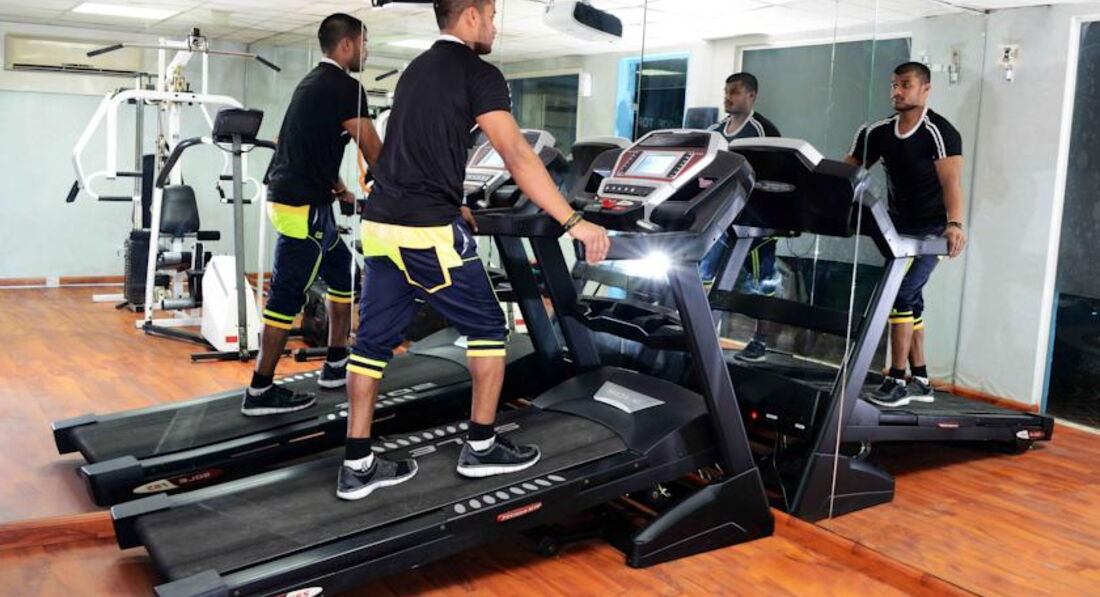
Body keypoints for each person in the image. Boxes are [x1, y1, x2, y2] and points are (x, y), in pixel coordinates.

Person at [336, 0, 610, 501]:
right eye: (491, 15)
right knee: (488, 330)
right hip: (426, 232)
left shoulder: (416, 70)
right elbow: (517, 154)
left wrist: (454, 201)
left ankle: (358, 464)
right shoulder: (478, 72)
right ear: (469, 16)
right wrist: (573, 221)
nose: (494, 26)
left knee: (371, 345)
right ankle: (481, 447)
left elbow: (415, 150)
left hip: (380, 225)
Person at [242, 13, 383, 416]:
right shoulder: (346, 88)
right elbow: (375, 151)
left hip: (304, 200)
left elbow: (301, 143)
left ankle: (336, 362)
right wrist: (410, 188)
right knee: (286, 297)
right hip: (301, 207)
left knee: (344, 273)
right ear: (347, 45)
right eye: (364, 44)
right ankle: (260, 390)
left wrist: (340, 189)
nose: (367, 52)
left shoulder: (312, 82)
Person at [845, 61, 968, 408]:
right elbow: (847, 172)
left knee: (900, 293)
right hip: (897, 228)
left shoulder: (940, 132)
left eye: (905, 84)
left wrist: (955, 224)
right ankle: (922, 380)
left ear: (925, 89)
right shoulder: (877, 132)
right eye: (893, 84)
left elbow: (951, 182)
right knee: (911, 299)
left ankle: (897, 380)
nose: (896, 91)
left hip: (932, 231)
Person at [699, 72, 782, 363]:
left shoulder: (763, 130)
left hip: (755, 220)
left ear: (751, 96)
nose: (728, 97)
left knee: (763, 282)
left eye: (734, 92)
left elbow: (775, 176)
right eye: (726, 91)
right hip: (721, 219)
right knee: (705, 275)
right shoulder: (714, 131)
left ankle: (760, 341)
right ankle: (702, 334)